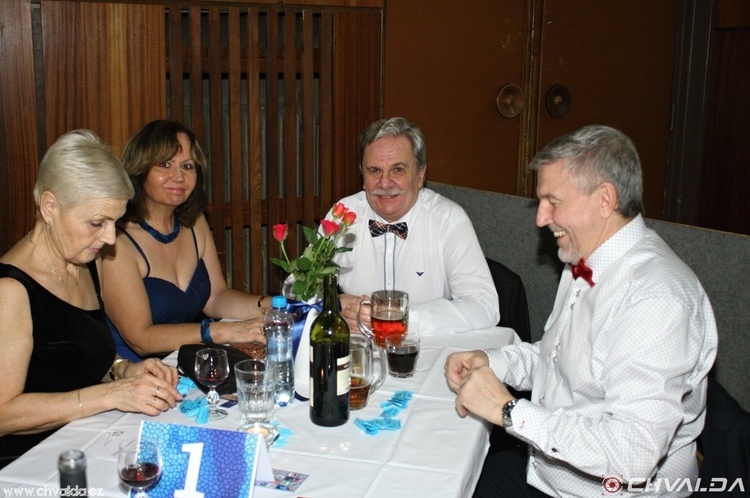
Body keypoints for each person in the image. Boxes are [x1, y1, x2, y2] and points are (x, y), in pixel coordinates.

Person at [445, 125, 718, 497]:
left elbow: (632, 455)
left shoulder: (656, 300)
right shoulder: (586, 258)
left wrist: (509, 411)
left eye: (553, 201)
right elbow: (560, 363)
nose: (541, 218)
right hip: (550, 470)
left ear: (605, 199)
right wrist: (493, 362)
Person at [0, 130, 182, 469]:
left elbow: (70, 354)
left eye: (114, 222)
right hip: (28, 466)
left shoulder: (83, 262)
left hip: (87, 442)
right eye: (97, 222)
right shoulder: (9, 291)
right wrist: (111, 395)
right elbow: (3, 413)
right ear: (50, 207)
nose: (110, 237)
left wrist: (122, 370)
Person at [102, 120, 268, 361]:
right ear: (139, 170)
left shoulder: (194, 222)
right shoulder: (116, 240)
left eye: (187, 166)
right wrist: (224, 331)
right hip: (134, 372)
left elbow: (216, 298)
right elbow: (141, 338)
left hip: (185, 362)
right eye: (165, 164)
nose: (178, 176)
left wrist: (274, 306)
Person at [331, 117, 499, 336]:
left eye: (398, 170)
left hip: (427, 348)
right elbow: (298, 291)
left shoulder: (448, 219)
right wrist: (334, 305)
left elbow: (485, 306)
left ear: (420, 175)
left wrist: (402, 318)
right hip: (356, 349)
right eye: (374, 171)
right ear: (363, 177)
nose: (385, 183)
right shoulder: (343, 216)